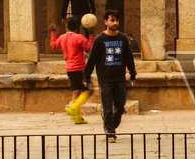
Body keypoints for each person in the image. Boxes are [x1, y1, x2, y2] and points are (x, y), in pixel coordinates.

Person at [82, 9, 136, 139]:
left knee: (120, 106)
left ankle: (111, 124)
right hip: (105, 79)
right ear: (105, 22)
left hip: (119, 78)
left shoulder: (122, 39)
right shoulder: (99, 39)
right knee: (107, 107)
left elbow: (129, 58)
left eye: (117, 20)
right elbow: (92, 59)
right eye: (112, 20)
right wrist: (86, 77)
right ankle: (110, 132)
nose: (115, 23)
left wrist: (132, 74)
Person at [50, 15, 95, 124]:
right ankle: (74, 107)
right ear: (77, 26)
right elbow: (89, 47)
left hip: (69, 69)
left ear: (66, 26)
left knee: (76, 91)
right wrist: (91, 34)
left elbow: (53, 45)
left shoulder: (62, 37)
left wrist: (53, 32)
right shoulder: (79, 37)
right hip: (80, 69)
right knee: (89, 90)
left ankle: (77, 118)